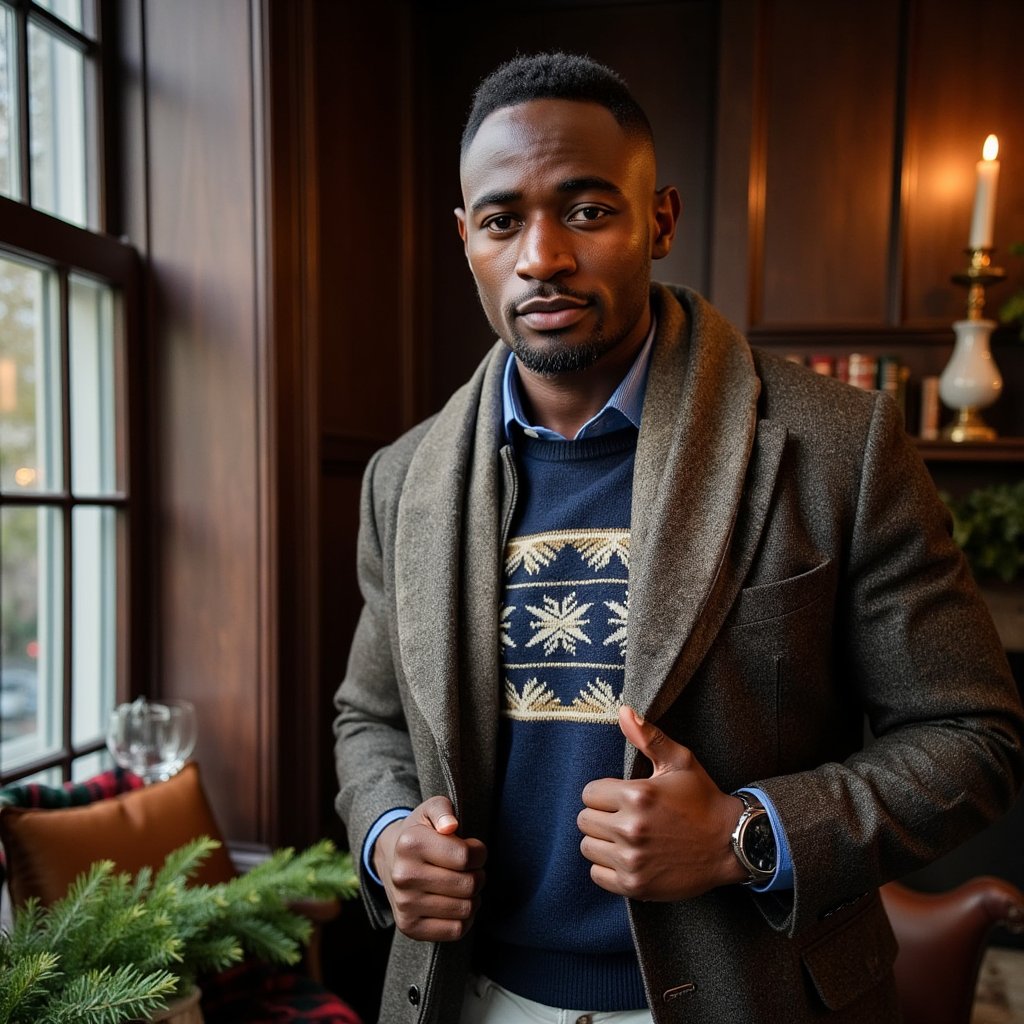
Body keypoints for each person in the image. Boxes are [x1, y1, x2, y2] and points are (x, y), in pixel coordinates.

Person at [333, 52, 1024, 1024]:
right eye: (501, 221)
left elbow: (974, 738)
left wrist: (748, 832)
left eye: (585, 210)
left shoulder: (839, 446)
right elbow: (366, 720)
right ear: (465, 238)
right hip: (468, 998)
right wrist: (389, 832)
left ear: (659, 217)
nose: (542, 256)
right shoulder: (401, 478)